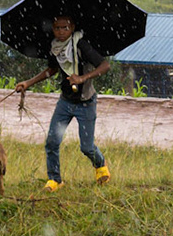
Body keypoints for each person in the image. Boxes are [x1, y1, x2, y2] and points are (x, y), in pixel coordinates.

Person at [14, 15, 111, 192]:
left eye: (64, 28)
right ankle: (55, 180)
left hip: (86, 102)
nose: (60, 32)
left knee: (87, 147)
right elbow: (51, 70)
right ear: (52, 29)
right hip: (65, 102)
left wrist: (82, 78)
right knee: (52, 141)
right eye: (57, 28)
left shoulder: (81, 45)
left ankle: (100, 165)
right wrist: (28, 83)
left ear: (72, 27)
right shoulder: (55, 48)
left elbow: (105, 66)